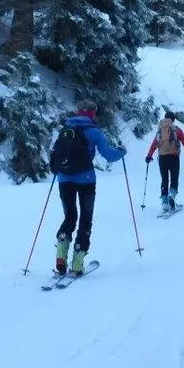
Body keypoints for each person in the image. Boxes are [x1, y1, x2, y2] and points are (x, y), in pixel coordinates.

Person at [51, 99, 126, 276]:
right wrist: (122, 151)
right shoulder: (94, 132)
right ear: (93, 113)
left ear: (78, 111)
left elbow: (55, 153)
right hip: (86, 180)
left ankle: (61, 250)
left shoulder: (66, 130)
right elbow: (109, 155)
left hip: (64, 179)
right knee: (85, 219)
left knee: (69, 217)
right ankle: (77, 263)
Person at [144, 111, 184, 212]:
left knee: (164, 179)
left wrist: (149, 156)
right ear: (173, 120)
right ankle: (171, 195)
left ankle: (164, 202)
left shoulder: (160, 131)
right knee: (174, 179)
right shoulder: (177, 130)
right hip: (174, 157)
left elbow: (154, 144)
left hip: (162, 158)